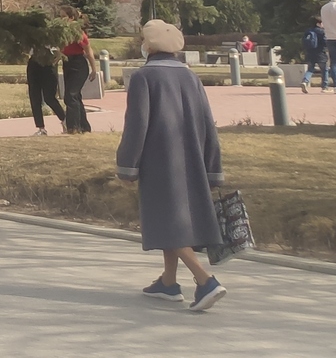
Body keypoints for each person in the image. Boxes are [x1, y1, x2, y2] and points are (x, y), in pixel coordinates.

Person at [118, 19, 228, 312]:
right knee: (174, 218)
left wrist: (127, 164)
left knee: (165, 219)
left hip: (158, 159)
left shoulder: (144, 78)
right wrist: (213, 166)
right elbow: (208, 122)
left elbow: (136, 125)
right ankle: (168, 282)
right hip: (190, 157)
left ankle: (205, 280)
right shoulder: (191, 77)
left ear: (149, 46)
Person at [61, 24, 95, 134]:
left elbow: (88, 50)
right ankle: (84, 127)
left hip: (78, 64)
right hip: (67, 63)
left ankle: (73, 127)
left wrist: (94, 69)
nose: (62, 19)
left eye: (65, 16)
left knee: (71, 95)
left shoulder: (78, 33)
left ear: (72, 18)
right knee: (75, 96)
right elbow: (62, 50)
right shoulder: (64, 32)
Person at [26, 45, 67, 135]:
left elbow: (62, 42)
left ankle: (65, 120)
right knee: (34, 97)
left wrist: (59, 53)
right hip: (34, 61)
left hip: (49, 61)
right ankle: (41, 128)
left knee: (49, 97)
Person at [301, 15, 326, 93]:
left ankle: (305, 81)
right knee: (325, 70)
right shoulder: (321, 32)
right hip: (320, 53)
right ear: (318, 24)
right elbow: (325, 42)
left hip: (309, 53)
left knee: (310, 69)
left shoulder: (308, 31)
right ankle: (325, 87)